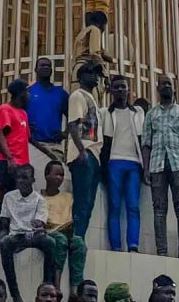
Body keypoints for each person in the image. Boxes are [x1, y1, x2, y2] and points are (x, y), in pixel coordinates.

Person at [140, 75, 179, 257]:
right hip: (157, 166)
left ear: (174, 88)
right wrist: (146, 168)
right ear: (157, 89)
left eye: (169, 84)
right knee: (159, 210)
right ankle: (161, 251)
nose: (165, 86)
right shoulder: (151, 114)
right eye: (162, 84)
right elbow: (146, 143)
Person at [100, 73, 144, 252]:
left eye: (123, 87)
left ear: (129, 90)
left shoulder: (138, 112)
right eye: (116, 87)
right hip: (113, 163)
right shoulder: (105, 113)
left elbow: (145, 139)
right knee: (115, 206)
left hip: (134, 163)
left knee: (133, 206)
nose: (120, 90)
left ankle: (133, 245)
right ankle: (116, 246)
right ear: (110, 90)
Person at [0, 164, 55, 302]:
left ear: (33, 180)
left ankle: (47, 285)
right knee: (4, 243)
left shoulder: (39, 200)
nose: (21, 181)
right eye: (18, 178)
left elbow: (40, 224)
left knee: (50, 242)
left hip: (33, 236)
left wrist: (38, 226)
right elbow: (4, 226)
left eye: (25, 178)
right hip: (15, 236)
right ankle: (15, 294)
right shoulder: (8, 197)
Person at [66, 60, 103, 238]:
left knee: (89, 203)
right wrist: (81, 151)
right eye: (90, 73)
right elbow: (73, 124)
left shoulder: (92, 99)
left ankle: (80, 237)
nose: (95, 77)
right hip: (84, 153)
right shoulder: (77, 95)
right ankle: (76, 238)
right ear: (80, 77)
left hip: (94, 154)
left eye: (96, 74)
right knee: (82, 201)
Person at [41, 160, 87, 291]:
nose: (59, 178)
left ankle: (75, 290)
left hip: (66, 232)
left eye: (61, 175)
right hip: (50, 233)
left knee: (79, 243)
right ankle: (56, 287)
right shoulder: (39, 198)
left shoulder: (68, 197)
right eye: (56, 174)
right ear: (47, 175)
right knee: (60, 241)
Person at [0, 79, 34, 201]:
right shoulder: (4, 109)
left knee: (17, 201)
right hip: (4, 162)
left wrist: (49, 152)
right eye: (28, 91)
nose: (29, 95)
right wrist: (10, 159)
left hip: (21, 165)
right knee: (0, 199)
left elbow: (28, 138)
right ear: (21, 93)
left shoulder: (23, 113)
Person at [27, 57, 68, 152]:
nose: (46, 67)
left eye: (48, 66)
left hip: (54, 145)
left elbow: (74, 117)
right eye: (42, 65)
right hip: (32, 145)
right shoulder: (28, 92)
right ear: (36, 69)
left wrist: (65, 133)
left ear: (52, 70)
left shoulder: (60, 93)